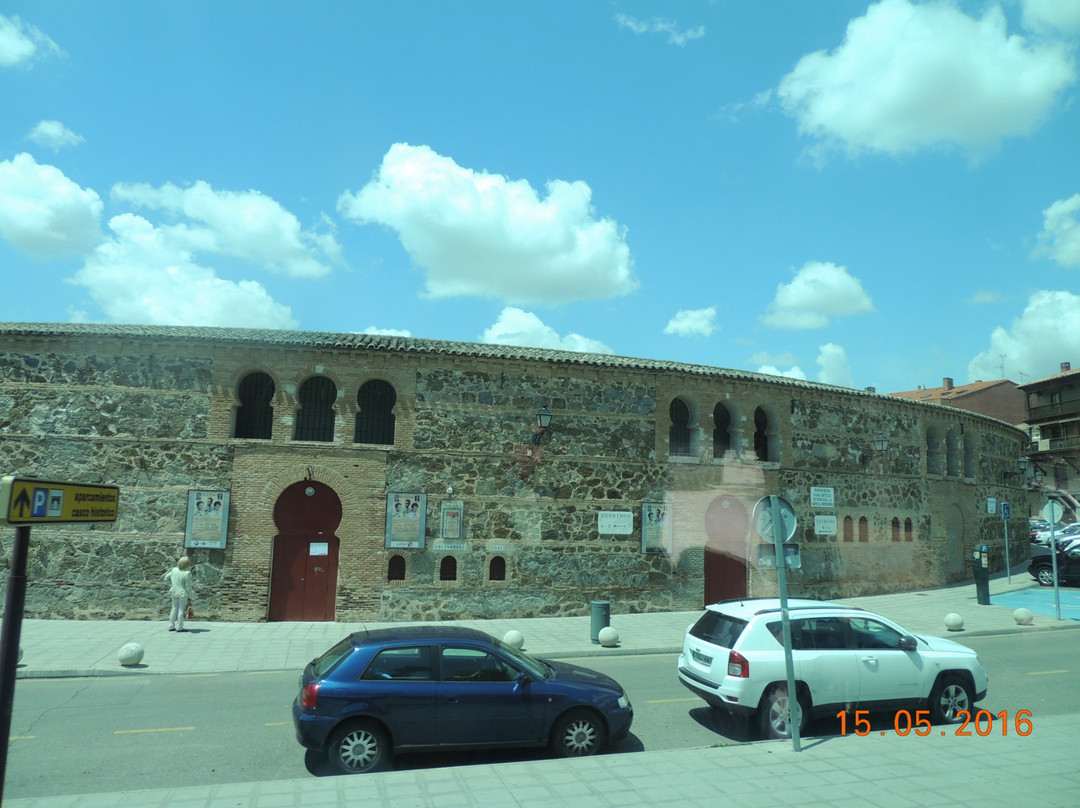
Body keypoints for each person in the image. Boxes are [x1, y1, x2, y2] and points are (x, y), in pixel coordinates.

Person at [163, 556, 195, 632]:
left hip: (174, 592)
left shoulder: (174, 570)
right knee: (181, 610)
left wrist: (172, 585)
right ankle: (180, 627)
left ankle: (171, 626)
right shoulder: (187, 573)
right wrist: (190, 597)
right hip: (182, 593)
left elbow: (166, 578)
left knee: (174, 609)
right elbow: (188, 587)